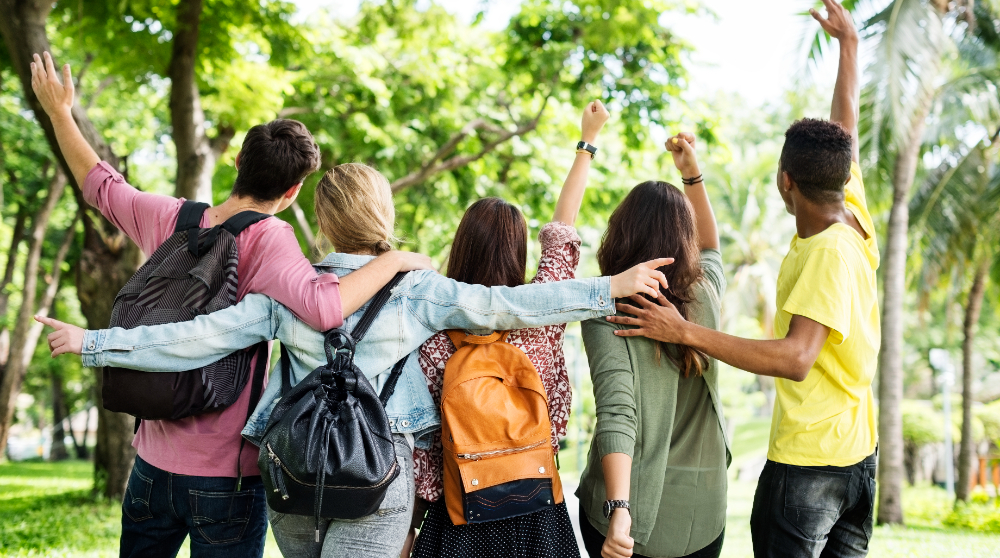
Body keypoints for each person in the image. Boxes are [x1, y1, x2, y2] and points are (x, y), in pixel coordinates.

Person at [40, 164, 672, 558]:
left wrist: (94, 342)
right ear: (384, 217)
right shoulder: (417, 289)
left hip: (291, 476)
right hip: (378, 476)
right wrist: (607, 288)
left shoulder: (286, 291)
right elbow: (513, 306)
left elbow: (192, 338)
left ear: (321, 222)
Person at [30, 52, 432, 558]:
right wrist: (394, 260)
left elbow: (101, 187)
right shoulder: (271, 239)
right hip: (227, 476)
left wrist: (60, 112)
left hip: (151, 464)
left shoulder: (171, 218)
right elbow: (325, 308)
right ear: (291, 193)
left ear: (237, 161)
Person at [605, 0, 879, 558]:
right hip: (858, 458)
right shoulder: (851, 211)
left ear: (786, 183)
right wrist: (850, 48)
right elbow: (843, 130)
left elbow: (796, 358)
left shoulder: (828, 252)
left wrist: (682, 331)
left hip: (811, 468)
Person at [409, 101, 610, 558]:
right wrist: (587, 141)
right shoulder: (540, 318)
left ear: (461, 248)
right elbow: (562, 231)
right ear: (518, 252)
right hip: (536, 507)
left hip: (461, 513)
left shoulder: (432, 332)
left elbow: (423, 448)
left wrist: (410, 528)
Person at [575, 132, 729, 558]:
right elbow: (712, 247)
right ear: (686, 237)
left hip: (628, 517)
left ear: (621, 232)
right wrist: (691, 175)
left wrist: (619, 509)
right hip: (702, 515)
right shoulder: (705, 294)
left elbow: (617, 413)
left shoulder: (609, 309)